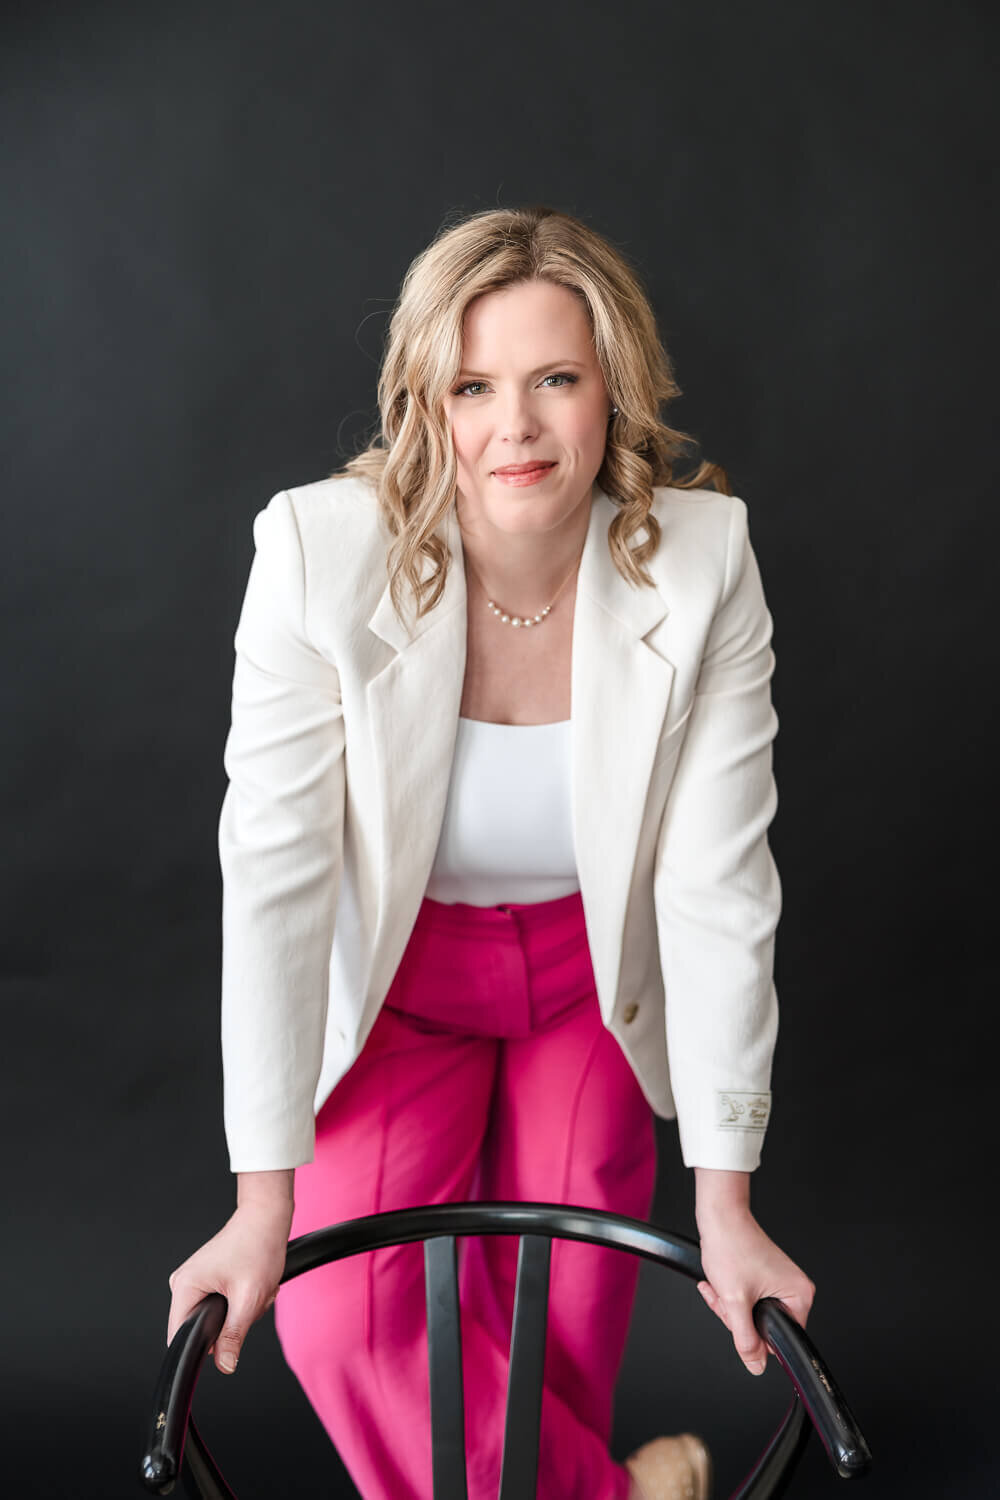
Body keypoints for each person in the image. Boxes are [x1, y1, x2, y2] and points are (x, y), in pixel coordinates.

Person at [166, 204, 815, 1500]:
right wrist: (259, 1200)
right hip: (404, 988)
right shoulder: (316, 554)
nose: (514, 426)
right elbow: (278, 875)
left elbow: (716, 884)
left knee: (553, 1339)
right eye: (474, 385)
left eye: (554, 380)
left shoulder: (702, 564)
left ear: (610, 390)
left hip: (588, 986)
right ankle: (635, 1495)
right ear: (426, 398)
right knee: (348, 1328)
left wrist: (726, 1206)